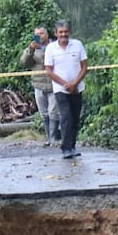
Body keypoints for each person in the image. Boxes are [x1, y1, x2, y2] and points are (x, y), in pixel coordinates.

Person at [44, 20, 88, 159]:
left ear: (69, 32)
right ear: (56, 33)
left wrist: (75, 83)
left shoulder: (78, 45)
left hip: (77, 88)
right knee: (66, 117)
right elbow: (49, 71)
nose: (63, 34)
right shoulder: (51, 48)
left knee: (75, 118)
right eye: (60, 32)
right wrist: (65, 84)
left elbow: (85, 67)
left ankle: (72, 146)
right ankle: (65, 148)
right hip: (60, 90)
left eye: (66, 32)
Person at [19, 27, 59, 146]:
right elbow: (24, 63)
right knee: (44, 113)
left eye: (42, 33)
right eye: (37, 34)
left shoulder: (55, 46)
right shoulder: (32, 49)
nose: (40, 36)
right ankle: (49, 137)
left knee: (53, 112)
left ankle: (54, 138)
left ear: (47, 34)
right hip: (38, 85)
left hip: (54, 84)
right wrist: (31, 50)